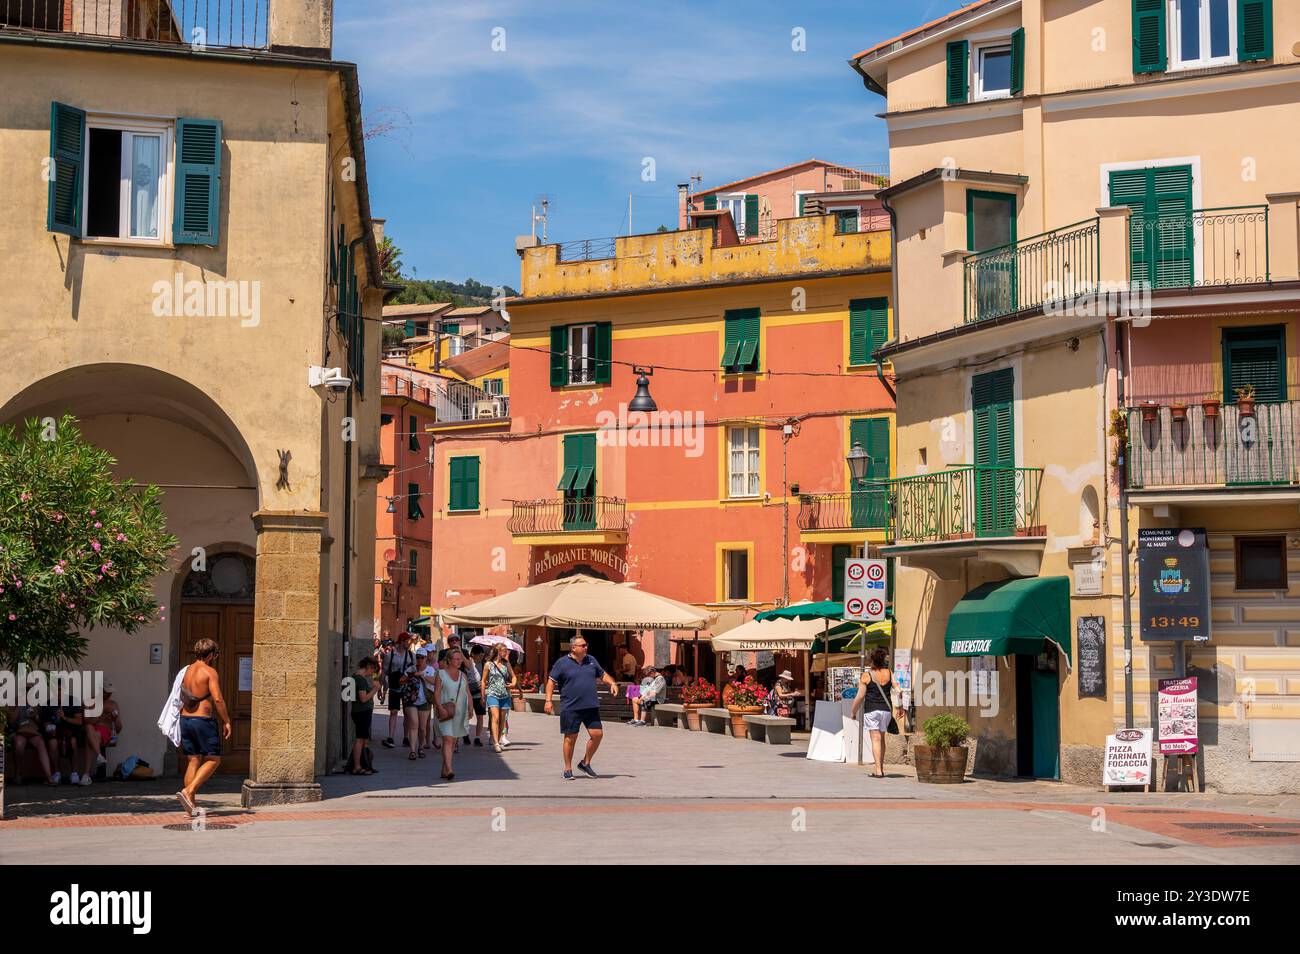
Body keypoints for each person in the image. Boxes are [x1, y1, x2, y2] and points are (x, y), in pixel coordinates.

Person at [545, 635, 619, 780]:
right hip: (571, 706)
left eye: (586, 645)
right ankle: (568, 769)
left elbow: (603, 674)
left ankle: (585, 763)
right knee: (570, 738)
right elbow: (551, 682)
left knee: (597, 734)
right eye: (583, 645)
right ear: (573, 648)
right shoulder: (562, 663)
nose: (586, 647)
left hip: (590, 705)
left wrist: (612, 683)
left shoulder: (591, 660)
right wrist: (548, 700)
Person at [177, 638, 231, 815]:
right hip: (202, 721)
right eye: (216, 654)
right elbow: (217, 699)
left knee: (193, 760)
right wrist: (226, 720)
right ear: (211, 655)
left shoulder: (187, 671)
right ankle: (189, 791)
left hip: (185, 719)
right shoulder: (209, 672)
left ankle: (189, 806)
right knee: (214, 759)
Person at [849, 647, 900, 779]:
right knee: (882, 739)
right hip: (886, 710)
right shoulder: (889, 672)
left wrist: (853, 711)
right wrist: (901, 707)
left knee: (875, 739)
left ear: (871, 660)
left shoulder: (866, 675)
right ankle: (880, 767)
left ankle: (878, 770)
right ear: (883, 660)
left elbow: (860, 696)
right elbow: (898, 690)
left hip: (871, 710)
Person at [433, 647, 471, 781]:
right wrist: (439, 708)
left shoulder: (463, 675)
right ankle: (449, 769)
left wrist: (470, 707)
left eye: (460, 659)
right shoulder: (440, 674)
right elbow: (436, 693)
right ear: (449, 660)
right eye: (456, 659)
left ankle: (444, 769)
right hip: (445, 711)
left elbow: (467, 693)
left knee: (453, 740)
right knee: (448, 739)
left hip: (459, 712)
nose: (459, 661)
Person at [382, 633, 417, 749]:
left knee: (407, 713)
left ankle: (406, 737)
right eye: (407, 641)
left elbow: (414, 671)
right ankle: (390, 737)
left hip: (406, 687)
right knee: (393, 711)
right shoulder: (390, 655)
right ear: (401, 641)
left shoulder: (412, 656)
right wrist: (382, 688)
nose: (409, 643)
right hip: (394, 686)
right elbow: (384, 671)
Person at [347, 656, 381, 775]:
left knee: (362, 739)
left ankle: (363, 764)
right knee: (360, 739)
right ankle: (357, 766)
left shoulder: (357, 677)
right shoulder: (360, 679)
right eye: (373, 670)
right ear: (368, 667)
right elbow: (363, 698)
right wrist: (375, 690)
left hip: (361, 712)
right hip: (361, 712)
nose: (372, 673)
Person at [5, 706, 54, 785]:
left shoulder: (36, 704)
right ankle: (18, 774)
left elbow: (41, 722)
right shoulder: (14, 703)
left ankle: (49, 777)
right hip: (20, 732)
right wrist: (18, 707)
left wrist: (35, 717)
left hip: (34, 732)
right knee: (18, 745)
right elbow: (11, 721)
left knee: (41, 743)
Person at [86, 681, 123, 777]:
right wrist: (100, 711)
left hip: (103, 732)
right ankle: (99, 756)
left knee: (90, 740)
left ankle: (86, 775)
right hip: (91, 729)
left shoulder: (113, 704)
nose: (109, 695)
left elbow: (119, 729)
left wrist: (115, 720)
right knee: (89, 728)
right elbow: (87, 721)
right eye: (106, 692)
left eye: (110, 693)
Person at [482, 644, 514, 752]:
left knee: (502, 719)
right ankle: (496, 743)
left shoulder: (506, 664)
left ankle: (498, 740)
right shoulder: (488, 665)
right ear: (498, 651)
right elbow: (483, 681)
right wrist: (483, 695)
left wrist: (513, 684)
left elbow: (513, 677)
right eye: (504, 651)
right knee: (495, 717)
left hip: (505, 694)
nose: (506, 653)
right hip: (492, 694)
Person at [48, 698, 88, 785]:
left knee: (73, 742)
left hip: (72, 732)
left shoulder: (73, 701)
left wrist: (64, 718)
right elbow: (45, 722)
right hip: (55, 734)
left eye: (60, 690)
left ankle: (74, 773)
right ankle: (57, 773)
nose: (58, 693)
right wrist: (49, 728)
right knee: (52, 743)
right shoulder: (48, 703)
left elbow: (79, 721)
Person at [411, 648, 433, 760]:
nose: (419, 659)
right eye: (417, 657)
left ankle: (420, 747)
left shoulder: (430, 670)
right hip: (412, 701)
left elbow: (435, 681)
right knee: (414, 724)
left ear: (425, 659)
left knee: (422, 728)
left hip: (425, 700)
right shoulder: (411, 668)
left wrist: (422, 675)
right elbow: (402, 680)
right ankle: (412, 751)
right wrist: (412, 675)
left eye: (421, 658)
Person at [464, 645, 487, 748]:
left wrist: (484, 684)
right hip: (467, 693)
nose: (481, 657)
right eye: (479, 655)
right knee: (466, 715)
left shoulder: (484, 664)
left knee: (480, 716)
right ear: (473, 654)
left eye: (482, 655)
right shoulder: (468, 663)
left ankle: (477, 738)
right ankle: (465, 733)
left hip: (478, 694)